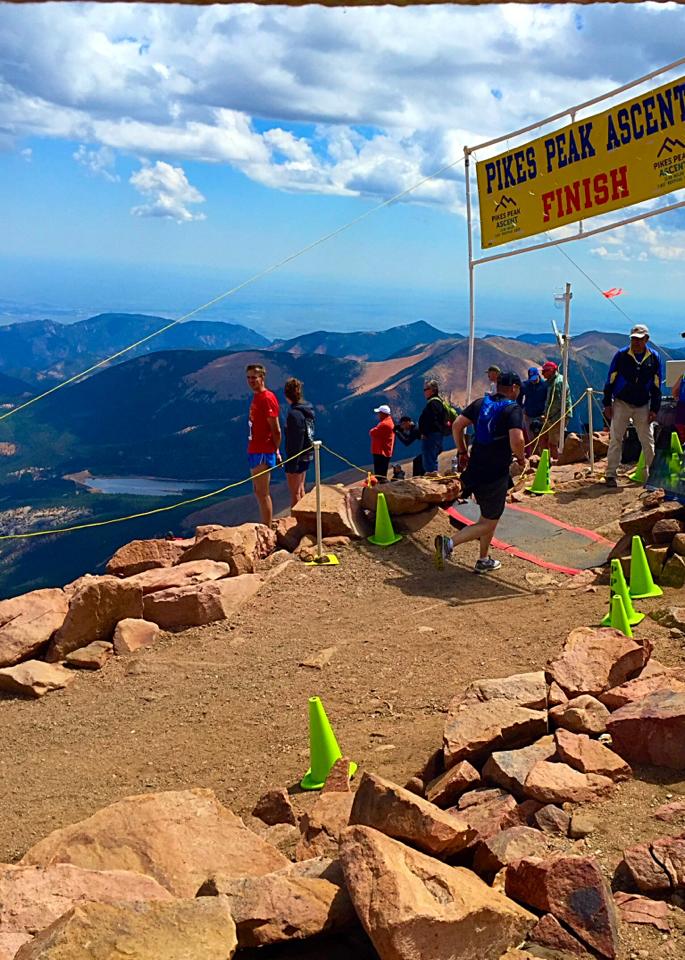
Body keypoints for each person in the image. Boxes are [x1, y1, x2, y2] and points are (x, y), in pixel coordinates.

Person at [434, 371, 525, 574]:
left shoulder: (480, 403)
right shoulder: (513, 409)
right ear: (514, 389)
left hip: (475, 467)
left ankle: (483, 559)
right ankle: (448, 544)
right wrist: (521, 457)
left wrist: (461, 450)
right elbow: (517, 439)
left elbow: (457, 425)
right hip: (496, 472)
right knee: (490, 521)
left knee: (487, 517)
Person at [603, 324, 663, 488]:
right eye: (633, 339)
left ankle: (654, 475)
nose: (635, 342)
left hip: (643, 404)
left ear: (646, 339)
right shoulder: (621, 355)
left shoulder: (654, 357)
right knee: (616, 438)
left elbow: (657, 384)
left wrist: (654, 408)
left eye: (639, 339)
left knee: (647, 440)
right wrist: (607, 403)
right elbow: (610, 379)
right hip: (622, 402)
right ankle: (610, 474)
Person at [246, 363, 281, 527]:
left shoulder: (267, 398)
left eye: (254, 377)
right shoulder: (257, 397)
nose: (251, 381)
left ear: (262, 378)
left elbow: (276, 429)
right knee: (258, 491)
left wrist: (275, 449)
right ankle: (265, 524)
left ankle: (267, 527)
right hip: (255, 448)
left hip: (263, 450)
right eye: (248, 377)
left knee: (262, 492)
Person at [283, 377, 315, 508]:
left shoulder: (294, 414)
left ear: (286, 395)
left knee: (295, 493)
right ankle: (303, 517)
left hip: (297, 456)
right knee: (301, 488)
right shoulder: (307, 411)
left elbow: (296, 438)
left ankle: (296, 521)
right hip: (308, 453)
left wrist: (292, 462)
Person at [538, 361, 572, 461]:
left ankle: (556, 463)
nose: (543, 373)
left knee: (552, 443)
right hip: (553, 416)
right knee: (543, 439)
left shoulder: (558, 383)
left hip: (557, 416)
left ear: (552, 371)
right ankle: (547, 462)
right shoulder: (553, 381)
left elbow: (557, 402)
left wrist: (548, 416)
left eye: (545, 371)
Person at [418, 379, 446, 474]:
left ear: (433, 390)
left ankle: (431, 475)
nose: (424, 392)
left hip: (431, 435)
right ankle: (432, 472)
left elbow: (431, 420)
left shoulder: (433, 403)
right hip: (436, 434)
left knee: (429, 457)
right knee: (432, 457)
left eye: (426, 389)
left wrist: (425, 432)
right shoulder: (438, 402)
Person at [518, 367, 547, 442]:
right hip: (528, 415)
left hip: (541, 416)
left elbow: (548, 400)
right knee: (531, 439)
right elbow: (519, 396)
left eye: (535, 379)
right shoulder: (525, 385)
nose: (533, 381)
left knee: (541, 439)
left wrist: (545, 413)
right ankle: (533, 453)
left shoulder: (545, 385)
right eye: (532, 379)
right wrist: (521, 407)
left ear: (538, 375)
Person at [370, 404, 395, 481]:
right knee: (381, 473)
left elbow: (372, 432)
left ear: (383, 414)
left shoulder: (384, 424)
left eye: (379, 413)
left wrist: (373, 429)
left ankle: (381, 488)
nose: (378, 415)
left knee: (380, 474)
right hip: (383, 451)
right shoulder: (388, 422)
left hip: (381, 452)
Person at [673, 373, 685, 446]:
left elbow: (674, 390)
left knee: (681, 432)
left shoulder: (683, 376)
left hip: (682, 406)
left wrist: (677, 398)